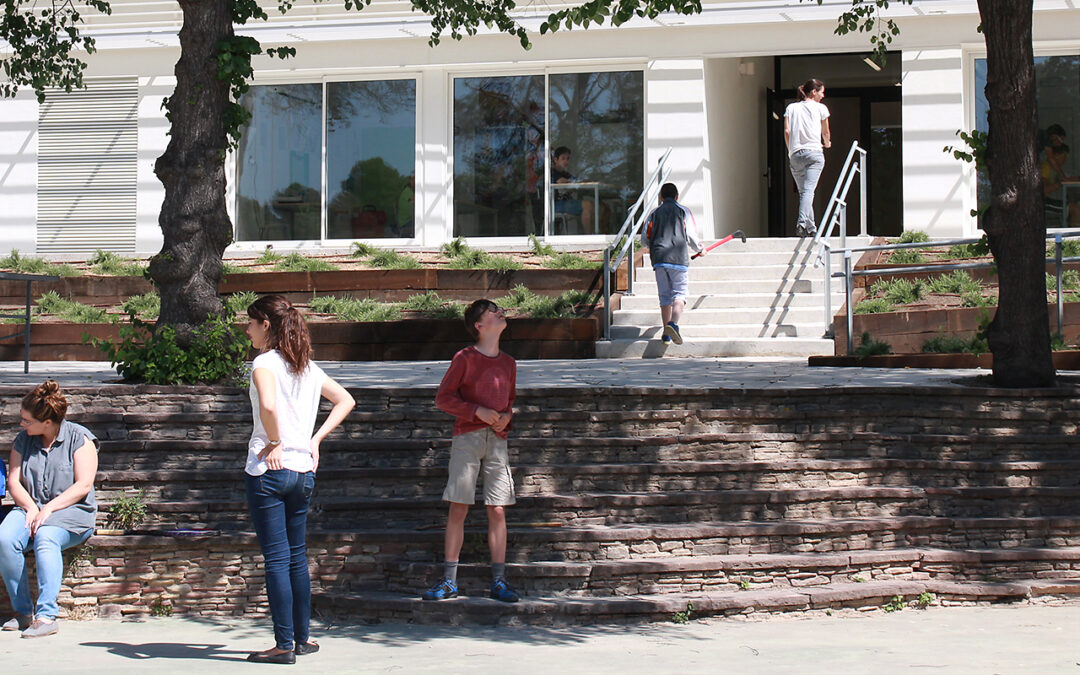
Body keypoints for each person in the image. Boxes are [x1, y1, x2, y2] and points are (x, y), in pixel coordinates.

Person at [243, 295, 355, 664]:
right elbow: (345, 400)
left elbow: (270, 407)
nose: (247, 330)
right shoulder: (307, 367)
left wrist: (275, 441)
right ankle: (302, 638)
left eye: (251, 323)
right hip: (303, 471)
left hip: (269, 471)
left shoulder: (264, 363)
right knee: (296, 557)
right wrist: (314, 441)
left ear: (266, 326)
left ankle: (283, 644)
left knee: (276, 560)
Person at [424, 299, 520, 604]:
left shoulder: (508, 363)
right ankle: (449, 580)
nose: (499, 312)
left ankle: (499, 580)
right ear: (479, 325)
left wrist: (506, 418)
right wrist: (475, 411)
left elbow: (510, 402)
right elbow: (444, 398)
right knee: (459, 505)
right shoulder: (465, 358)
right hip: (467, 437)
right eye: (492, 311)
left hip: (498, 440)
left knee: (498, 507)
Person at [0, 380, 98, 639]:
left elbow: (83, 485)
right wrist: (32, 508)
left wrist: (48, 510)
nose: (22, 425)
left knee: (46, 536)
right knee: (5, 538)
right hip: (30, 507)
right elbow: (13, 480)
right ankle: (23, 613)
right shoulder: (24, 440)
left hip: (71, 511)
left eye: (27, 421)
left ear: (47, 422)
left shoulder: (80, 438)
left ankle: (46, 616)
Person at [641, 182, 702, 346]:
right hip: (678, 259)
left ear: (661, 198)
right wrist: (699, 248)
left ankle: (666, 335)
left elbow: (644, 238)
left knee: (665, 296)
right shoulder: (684, 211)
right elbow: (691, 234)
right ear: (677, 197)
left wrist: (652, 246)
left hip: (659, 259)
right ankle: (673, 324)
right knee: (680, 294)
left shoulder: (654, 213)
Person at [784, 78, 832, 237]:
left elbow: (787, 132)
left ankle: (812, 229)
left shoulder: (791, 108)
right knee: (808, 191)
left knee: (805, 192)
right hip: (814, 153)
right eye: (821, 92)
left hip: (795, 154)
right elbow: (825, 132)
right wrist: (827, 143)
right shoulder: (821, 108)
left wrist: (791, 150)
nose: (823, 96)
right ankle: (802, 223)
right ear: (814, 92)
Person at [1041, 124, 1080, 226]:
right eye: (1064, 157)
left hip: (1046, 200)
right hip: (1042, 202)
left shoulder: (1053, 170)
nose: (1065, 160)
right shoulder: (1046, 167)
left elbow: (1066, 179)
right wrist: (1060, 183)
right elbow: (1043, 190)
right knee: (1075, 209)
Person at [550, 146, 595, 234]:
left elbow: (576, 181)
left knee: (594, 206)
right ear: (555, 159)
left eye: (567, 159)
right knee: (587, 205)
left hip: (568, 202)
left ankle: (588, 234)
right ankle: (588, 236)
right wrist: (572, 182)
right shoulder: (551, 172)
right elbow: (560, 181)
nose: (566, 161)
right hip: (555, 205)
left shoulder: (565, 173)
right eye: (563, 158)